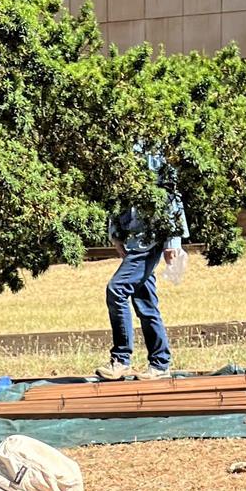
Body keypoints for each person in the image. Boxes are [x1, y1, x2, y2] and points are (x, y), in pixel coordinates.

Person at [96, 159, 188, 382]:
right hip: (133, 240)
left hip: (150, 241)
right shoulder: (118, 151)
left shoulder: (153, 150)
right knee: (146, 304)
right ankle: (160, 363)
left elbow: (170, 194)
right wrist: (115, 234)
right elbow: (116, 194)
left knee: (116, 290)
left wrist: (172, 242)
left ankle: (121, 360)